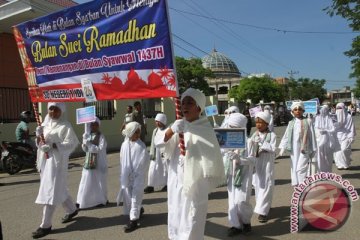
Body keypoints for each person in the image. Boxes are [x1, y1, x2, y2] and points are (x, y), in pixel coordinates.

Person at [155, 88, 224, 239]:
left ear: (198, 107)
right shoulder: (178, 125)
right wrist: (171, 131)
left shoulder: (205, 129)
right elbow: (159, 142)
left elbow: (210, 157)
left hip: (195, 183)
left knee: (192, 217)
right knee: (175, 213)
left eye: (190, 102)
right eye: (183, 102)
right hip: (175, 181)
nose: (184, 105)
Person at [32, 102, 79, 239]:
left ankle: (45, 225)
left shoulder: (65, 126)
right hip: (44, 161)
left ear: (61, 111)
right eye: (51, 109)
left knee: (50, 191)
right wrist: (38, 137)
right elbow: (40, 143)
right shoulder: (45, 125)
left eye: (56, 109)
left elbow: (72, 143)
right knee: (60, 188)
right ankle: (71, 209)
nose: (53, 112)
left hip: (56, 163)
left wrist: (53, 145)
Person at [222, 112, 254, 236]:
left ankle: (246, 221)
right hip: (231, 173)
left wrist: (240, 159)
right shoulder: (226, 139)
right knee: (232, 202)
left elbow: (253, 160)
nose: (231, 130)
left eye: (234, 128)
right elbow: (220, 153)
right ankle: (235, 225)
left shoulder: (250, 142)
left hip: (244, 175)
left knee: (241, 201)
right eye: (230, 127)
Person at [117, 122, 149, 233]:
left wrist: (134, 174)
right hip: (127, 176)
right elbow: (122, 159)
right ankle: (139, 210)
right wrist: (125, 174)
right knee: (129, 197)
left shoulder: (141, 146)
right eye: (136, 132)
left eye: (139, 131)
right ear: (130, 132)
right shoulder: (124, 145)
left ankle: (133, 221)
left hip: (137, 177)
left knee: (135, 197)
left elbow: (143, 163)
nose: (138, 134)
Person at [278, 101, 317, 186]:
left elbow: (312, 136)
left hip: (305, 148)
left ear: (303, 111)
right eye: (295, 109)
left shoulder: (308, 121)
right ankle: (298, 184)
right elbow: (286, 136)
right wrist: (282, 148)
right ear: (292, 112)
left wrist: (314, 149)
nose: (297, 111)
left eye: (299, 109)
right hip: (294, 149)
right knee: (295, 166)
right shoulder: (291, 123)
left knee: (301, 168)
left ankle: (302, 186)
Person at [248, 111, 276, 223]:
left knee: (267, 185)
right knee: (258, 185)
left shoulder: (272, 135)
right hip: (256, 163)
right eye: (257, 122)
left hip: (267, 163)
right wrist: (251, 142)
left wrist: (262, 144)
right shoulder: (254, 135)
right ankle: (263, 207)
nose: (258, 125)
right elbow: (249, 149)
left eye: (261, 122)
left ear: (267, 123)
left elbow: (273, 149)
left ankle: (263, 212)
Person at [76, 118, 108, 209]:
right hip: (88, 161)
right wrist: (84, 143)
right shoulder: (88, 135)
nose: (93, 126)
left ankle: (101, 200)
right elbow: (85, 150)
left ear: (98, 125)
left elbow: (100, 149)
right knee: (85, 180)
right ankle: (81, 200)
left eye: (95, 124)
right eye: (92, 124)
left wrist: (89, 144)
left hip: (98, 162)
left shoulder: (101, 136)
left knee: (98, 181)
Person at [144, 113, 168, 194]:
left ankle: (166, 184)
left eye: (159, 121)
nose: (157, 123)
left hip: (164, 154)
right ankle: (150, 185)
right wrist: (151, 153)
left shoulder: (167, 130)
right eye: (156, 121)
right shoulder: (155, 130)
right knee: (152, 169)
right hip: (155, 154)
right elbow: (152, 143)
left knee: (165, 169)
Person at [333, 102, 356, 170]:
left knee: (344, 150)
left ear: (343, 108)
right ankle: (339, 165)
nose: (339, 110)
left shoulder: (348, 116)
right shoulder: (334, 116)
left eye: (340, 108)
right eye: (337, 108)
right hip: (336, 136)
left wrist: (351, 136)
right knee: (337, 151)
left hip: (346, 136)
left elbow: (351, 127)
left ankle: (346, 163)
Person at [314, 105, 335, 172]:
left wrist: (326, 131)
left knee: (328, 156)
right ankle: (320, 172)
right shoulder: (317, 118)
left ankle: (328, 171)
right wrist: (319, 132)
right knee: (320, 156)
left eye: (325, 110)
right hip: (319, 140)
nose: (323, 111)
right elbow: (315, 128)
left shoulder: (329, 118)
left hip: (328, 140)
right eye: (322, 110)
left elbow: (333, 129)